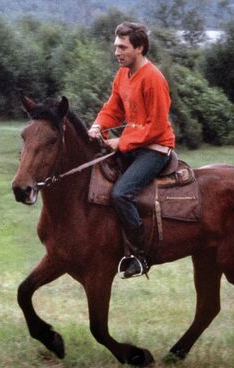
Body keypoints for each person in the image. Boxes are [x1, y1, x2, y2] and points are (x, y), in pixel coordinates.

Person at [88, 21, 176, 278]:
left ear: (139, 47)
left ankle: (140, 256)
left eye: (122, 47)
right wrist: (97, 126)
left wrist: (120, 142)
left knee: (121, 193)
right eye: (116, 46)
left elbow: (157, 126)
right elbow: (113, 108)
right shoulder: (122, 75)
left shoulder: (154, 79)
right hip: (134, 146)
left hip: (155, 149)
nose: (117, 52)